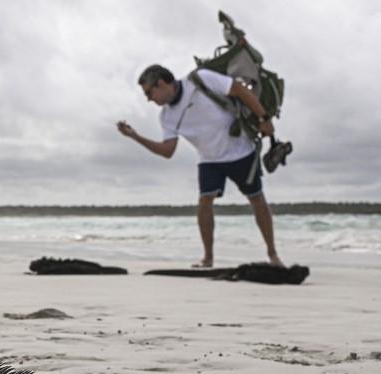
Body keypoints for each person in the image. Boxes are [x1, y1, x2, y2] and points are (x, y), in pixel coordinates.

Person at [117, 65, 282, 268]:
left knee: (257, 199)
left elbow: (239, 90)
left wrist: (263, 118)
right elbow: (168, 151)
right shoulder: (167, 117)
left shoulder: (200, 80)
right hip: (209, 160)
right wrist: (135, 136)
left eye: (149, 93)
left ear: (160, 84)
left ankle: (273, 254)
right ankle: (208, 258)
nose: (149, 99)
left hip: (240, 151)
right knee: (205, 202)